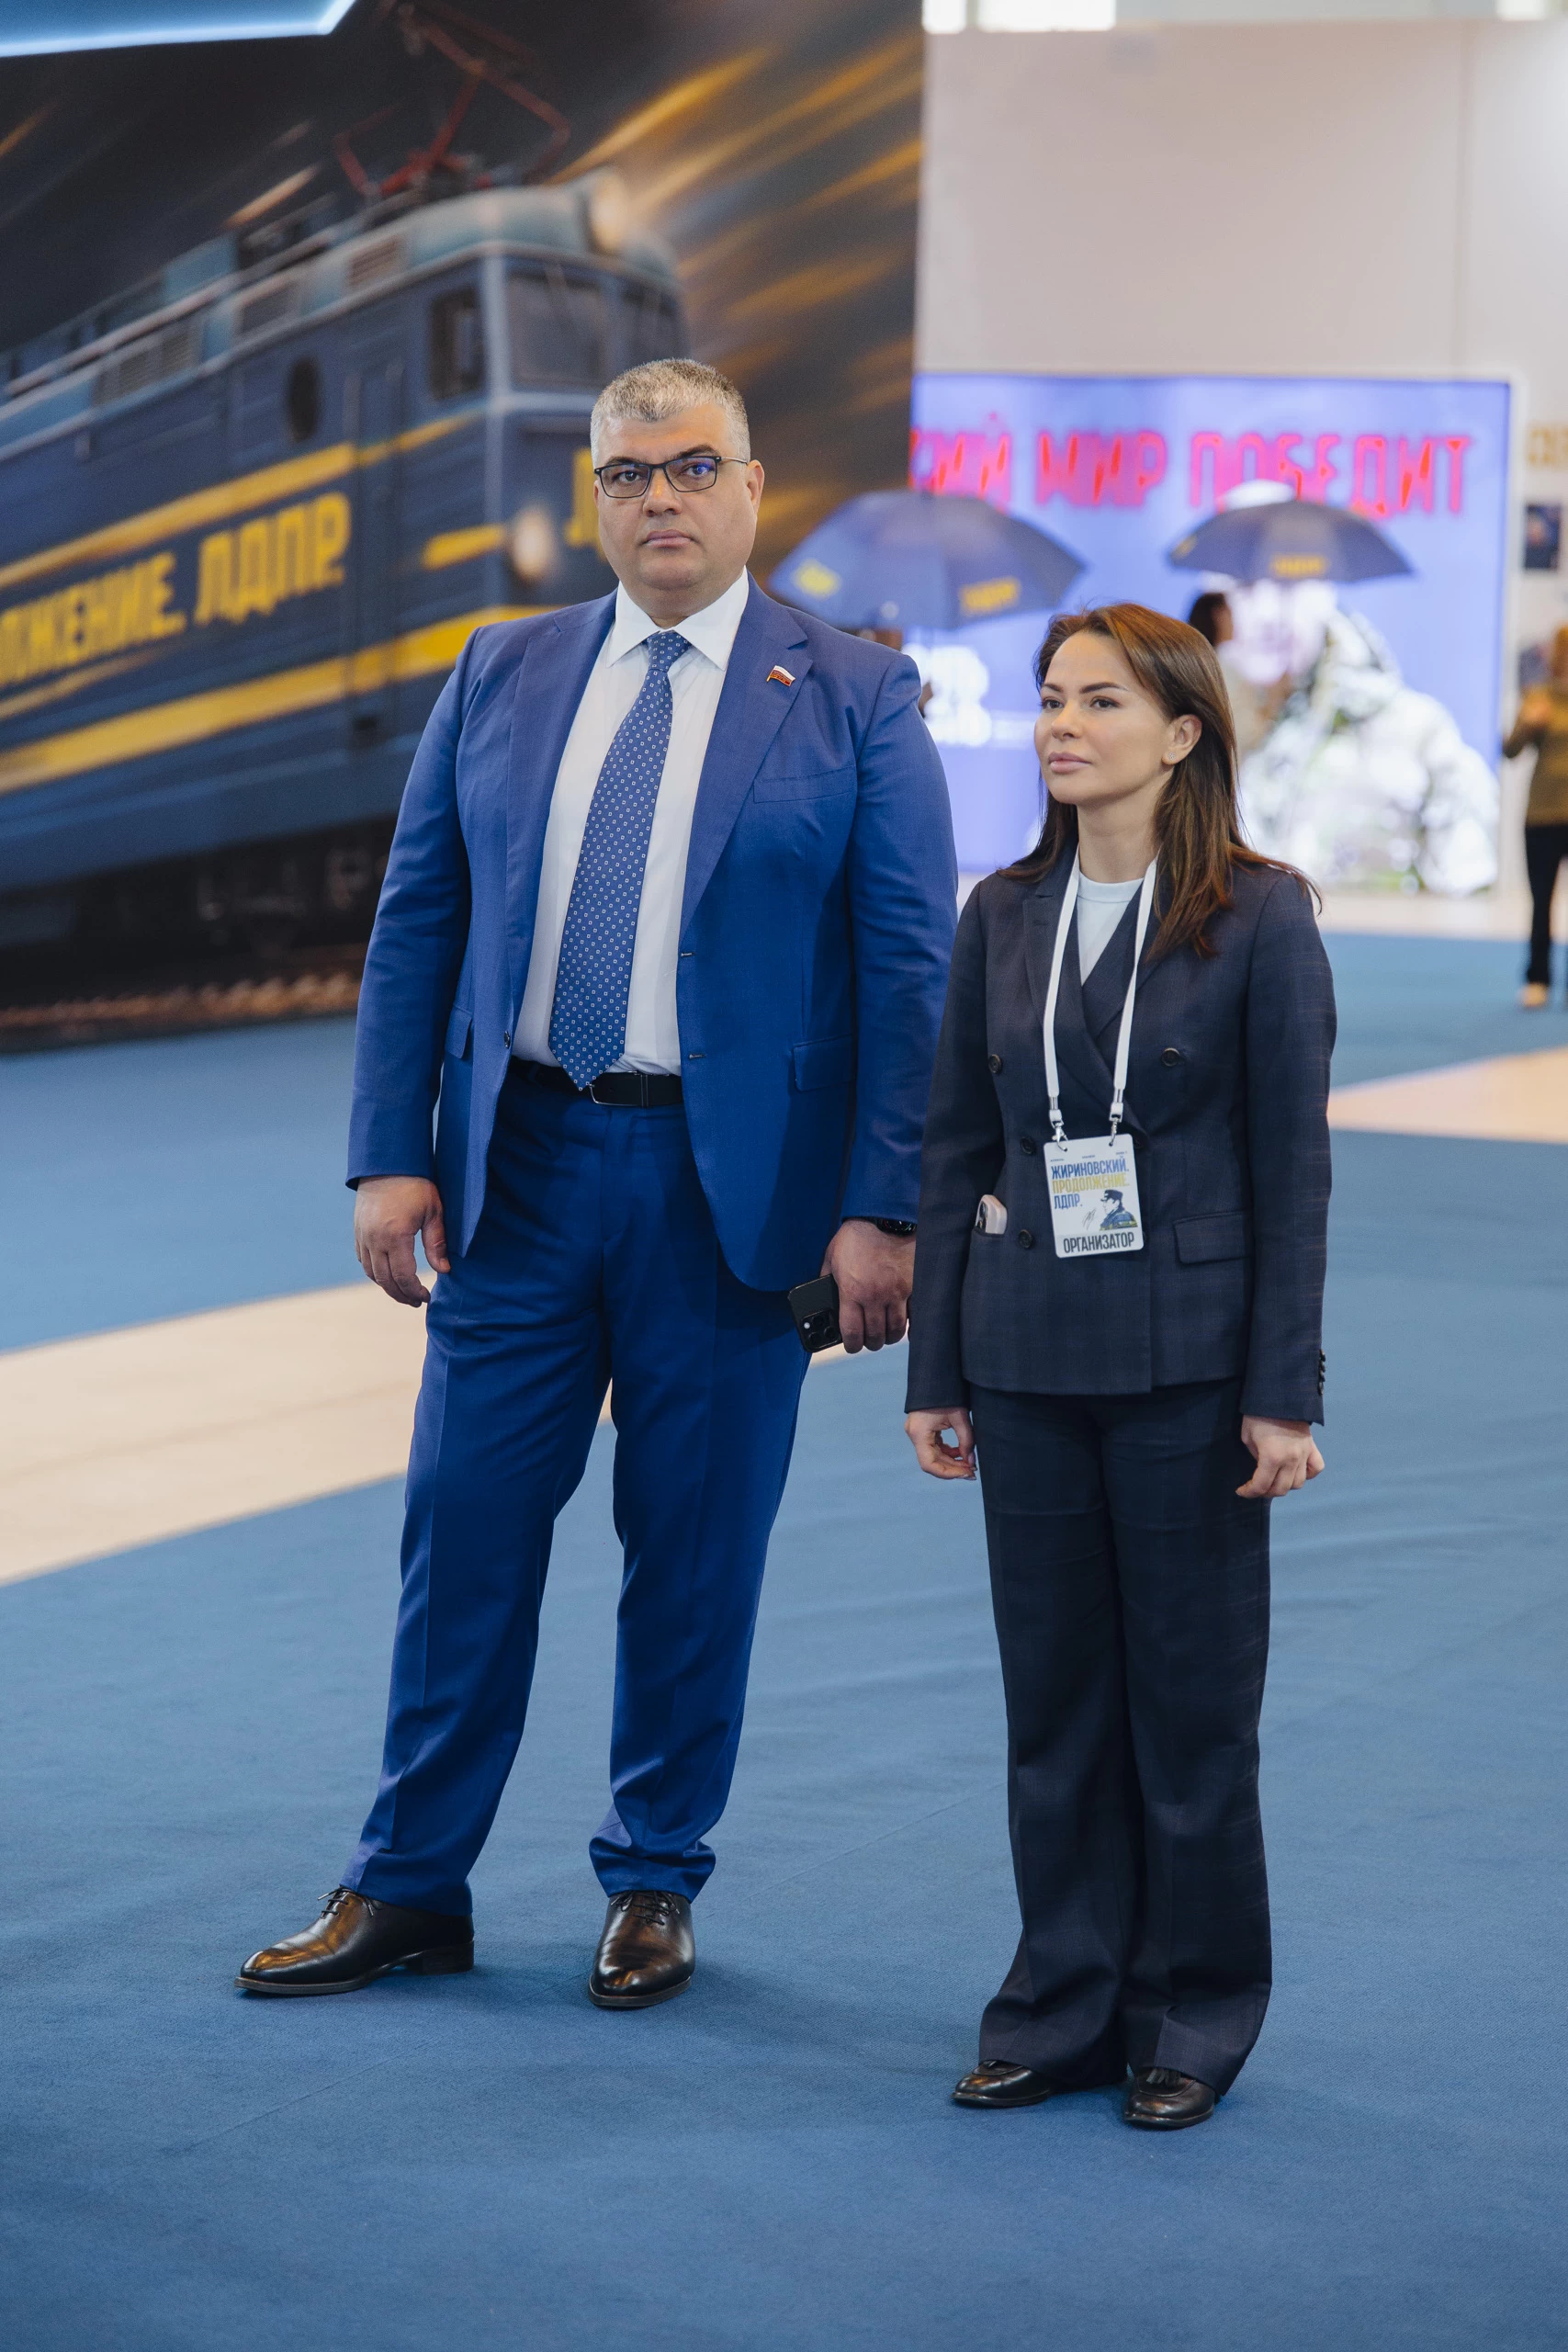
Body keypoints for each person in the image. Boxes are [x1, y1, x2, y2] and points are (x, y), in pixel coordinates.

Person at [238, 358, 957, 2006]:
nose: (661, 499)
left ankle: (651, 1878)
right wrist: (389, 1152)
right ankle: (409, 1880)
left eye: (692, 467)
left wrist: (884, 1207)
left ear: (752, 486)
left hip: (733, 1197)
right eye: (628, 475)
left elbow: (909, 972)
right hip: (522, 1174)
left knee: (692, 1550)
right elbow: (416, 923)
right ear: (594, 499)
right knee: (462, 1531)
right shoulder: (500, 669)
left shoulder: (855, 694)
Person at [905, 603, 1335, 2131]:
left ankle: (1191, 2013)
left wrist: (1283, 1393)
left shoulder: (1261, 916)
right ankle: (1060, 2004)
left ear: (1181, 732)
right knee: (1055, 1709)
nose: (1058, 725)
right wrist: (935, 1370)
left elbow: (1292, 1176)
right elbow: (953, 1148)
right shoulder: (1000, 912)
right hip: (1023, 1356)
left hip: (1190, 1374)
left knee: (1191, 1715)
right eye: (1047, 698)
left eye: (1097, 700)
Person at [1502, 626, 1568, 1007]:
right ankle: (1537, 979)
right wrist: (1529, 723)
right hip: (1542, 815)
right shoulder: (1538, 696)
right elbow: (1510, 750)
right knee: (1541, 900)